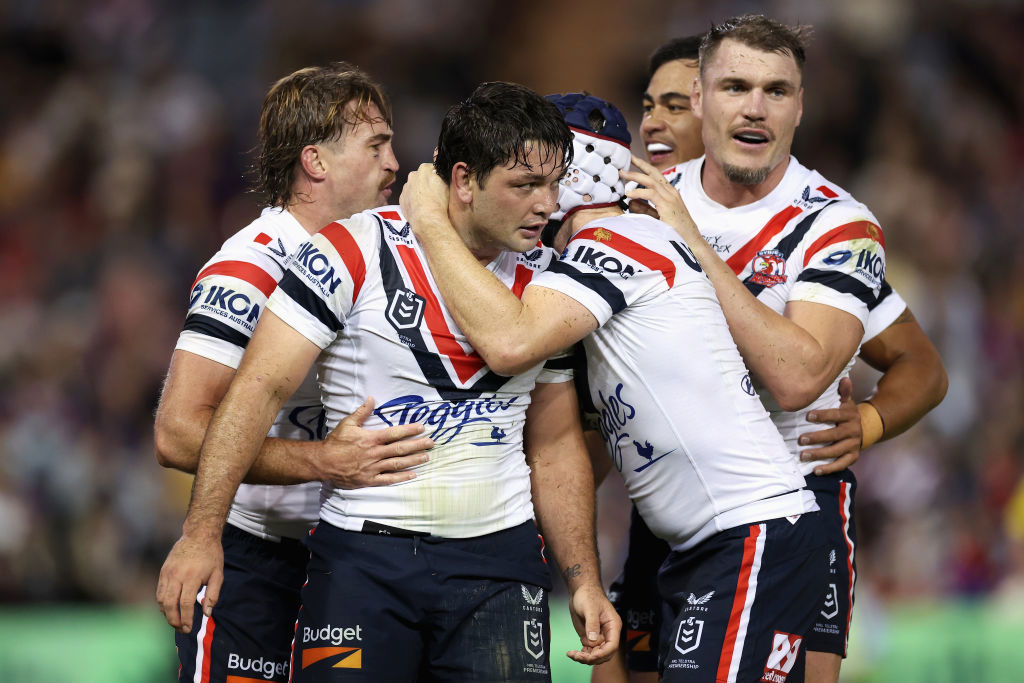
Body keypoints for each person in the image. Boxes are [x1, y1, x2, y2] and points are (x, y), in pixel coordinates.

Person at [157, 81, 620, 682]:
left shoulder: (551, 279)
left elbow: (555, 443)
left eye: (553, 185)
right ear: (462, 180)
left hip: (494, 563)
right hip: (328, 554)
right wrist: (205, 531)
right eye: (525, 185)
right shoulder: (314, 256)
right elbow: (244, 397)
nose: (546, 205)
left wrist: (583, 578)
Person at [401, 92, 830, 683]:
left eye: (544, 177)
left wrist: (428, 224)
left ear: (571, 179)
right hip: (712, 546)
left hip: (749, 533)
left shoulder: (619, 242)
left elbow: (509, 343)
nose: (535, 198)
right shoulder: (594, 264)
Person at [597, 32, 948, 683]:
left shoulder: (834, 226)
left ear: (800, 107)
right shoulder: (638, 203)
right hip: (665, 507)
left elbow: (902, 367)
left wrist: (868, 422)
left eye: (776, 91)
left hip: (789, 506)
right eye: (736, 87)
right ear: (702, 99)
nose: (755, 108)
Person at [153, 63, 435, 682]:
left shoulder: (393, 252)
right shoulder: (249, 268)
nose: (395, 163)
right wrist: (323, 463)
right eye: (376, 145)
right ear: (317, 162)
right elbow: (176, 435)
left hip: (356, 559)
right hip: (255, 557)